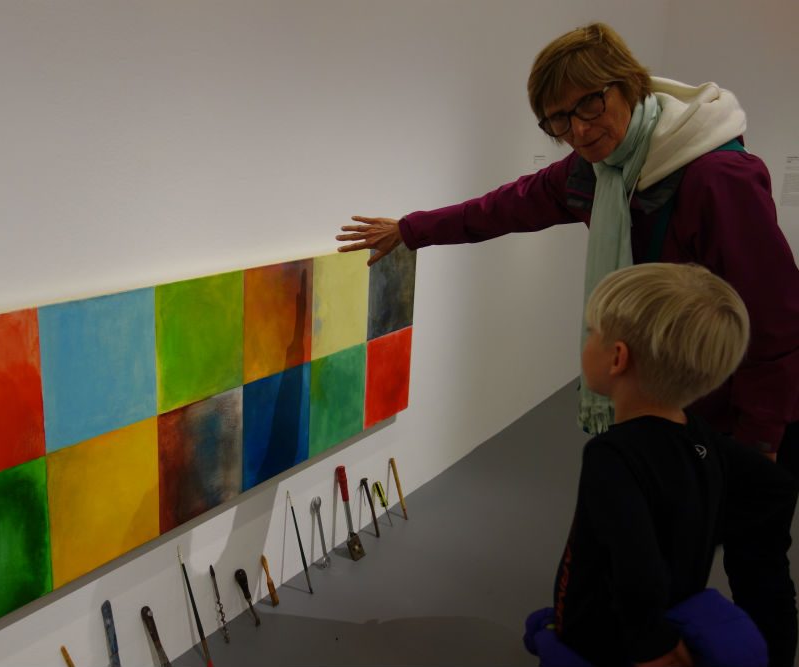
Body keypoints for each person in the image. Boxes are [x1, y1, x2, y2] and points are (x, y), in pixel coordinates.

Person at [336, 22, 799, 465]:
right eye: (557, 120)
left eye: (589, 105)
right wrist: (409, 230)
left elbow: (775, 320)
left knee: (747, 544)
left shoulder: (716, 179)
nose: (577, 131)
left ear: (628, 86)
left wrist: (758, 442)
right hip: (659, 401)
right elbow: (501, 207)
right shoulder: (594, 171)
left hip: (734, 413)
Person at [529, 263, 797, 667]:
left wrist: (652, 643)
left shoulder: (612, 454)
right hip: (671, 607)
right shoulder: (701, 436)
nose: (587, 339)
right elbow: (773, 485)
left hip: (601, 636)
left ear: (617, 358)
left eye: (593, 332)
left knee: (544, 634)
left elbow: (636, 564)